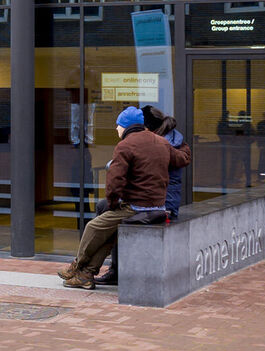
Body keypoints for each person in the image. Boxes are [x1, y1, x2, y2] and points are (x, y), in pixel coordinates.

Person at [61, 107, 186, 290]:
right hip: (157, 205)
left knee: (93, 226)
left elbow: (114, 180)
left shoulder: (126, 145)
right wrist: (182, 144)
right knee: (109, 231)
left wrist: (112, 204)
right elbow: (181, 158)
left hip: (137, 207)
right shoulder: (161, 142)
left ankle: (77, 266)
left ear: (126, 126)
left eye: (118, 125)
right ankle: (86, 275)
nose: (116, 129)